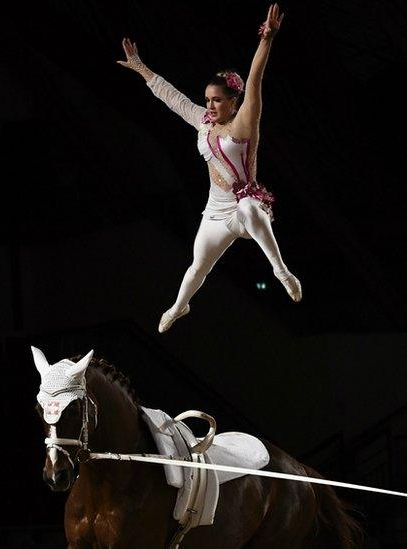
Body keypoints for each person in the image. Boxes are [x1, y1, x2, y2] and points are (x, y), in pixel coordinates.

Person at [117, 4, 301, 333]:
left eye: (217, 100)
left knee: (248, 208)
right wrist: (141, 68)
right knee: (198, 267)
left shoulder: (244, 123)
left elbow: (256, 80)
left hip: (246, 204)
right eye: (207, 99)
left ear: (233, 100)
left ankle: (281, 271)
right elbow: (171, 97)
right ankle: (178, 307)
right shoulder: (203, 122)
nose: (210, 106)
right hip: (215, 211)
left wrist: (267, 38)